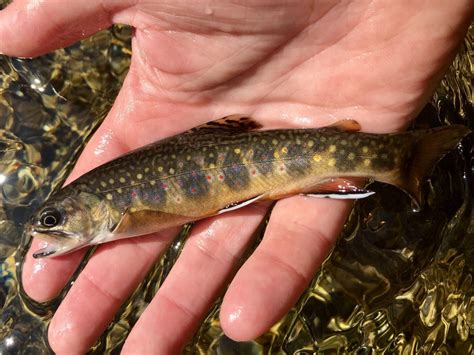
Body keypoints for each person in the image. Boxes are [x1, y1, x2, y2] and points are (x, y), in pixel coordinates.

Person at [1, 1, 472, 353]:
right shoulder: (109, 207)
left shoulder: (125, 214)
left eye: (53, 218)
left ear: (86, 207)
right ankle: (398, 160)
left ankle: (402, 159)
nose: (51, 229)